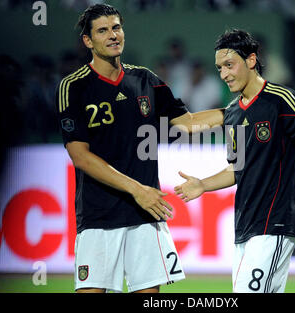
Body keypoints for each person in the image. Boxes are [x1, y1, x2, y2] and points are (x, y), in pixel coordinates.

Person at [56, 3, 223, 293]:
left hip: (146, 215)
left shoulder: (145, 79)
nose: (113, 35)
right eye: (103, 30)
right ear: (88, 40)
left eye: (117, 27)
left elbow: (188, 123)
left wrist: (238, 112)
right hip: (99, 215)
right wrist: (138, 189)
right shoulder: (74, 86)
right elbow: (80, 156)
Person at [174, 29, 295, 293]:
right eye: (220, 68)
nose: (224, 75)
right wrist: (203, 185)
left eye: (230, 65)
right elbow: (237, 169)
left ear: (252, 61)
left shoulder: (283, 100)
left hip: (275, 223)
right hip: (245, 227)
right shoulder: (233, 113)